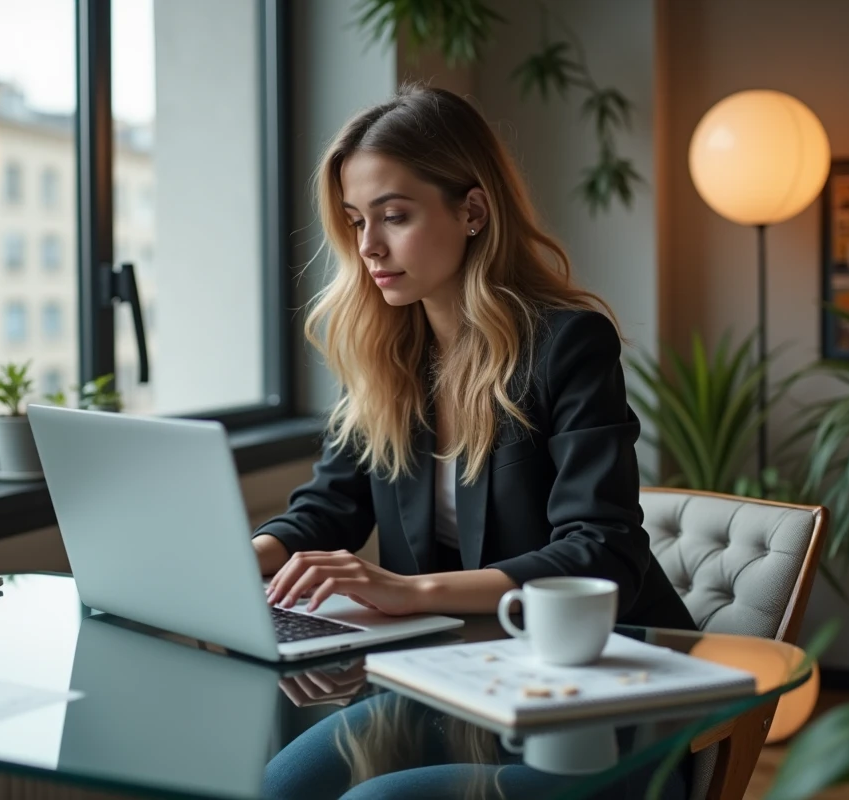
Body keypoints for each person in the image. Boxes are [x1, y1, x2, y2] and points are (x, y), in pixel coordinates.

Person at [256, 83, 695, 633]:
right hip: (465, 654)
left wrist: (410, 592)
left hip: (610, 651)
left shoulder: (569, 344)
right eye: (356, 221)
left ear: (473, 211)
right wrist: (237, 558)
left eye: (394, 216)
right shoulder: (384, 351)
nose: (368, 246)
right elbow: (330, 506)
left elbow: (602, 551)